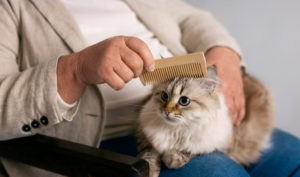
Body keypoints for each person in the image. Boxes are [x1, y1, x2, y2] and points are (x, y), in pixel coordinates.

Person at [0, 0, 299, 177]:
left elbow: (191, 18)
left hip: (196, 112)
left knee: (295, 159)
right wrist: (74, 70)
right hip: (105, 144)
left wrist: (224, 52)